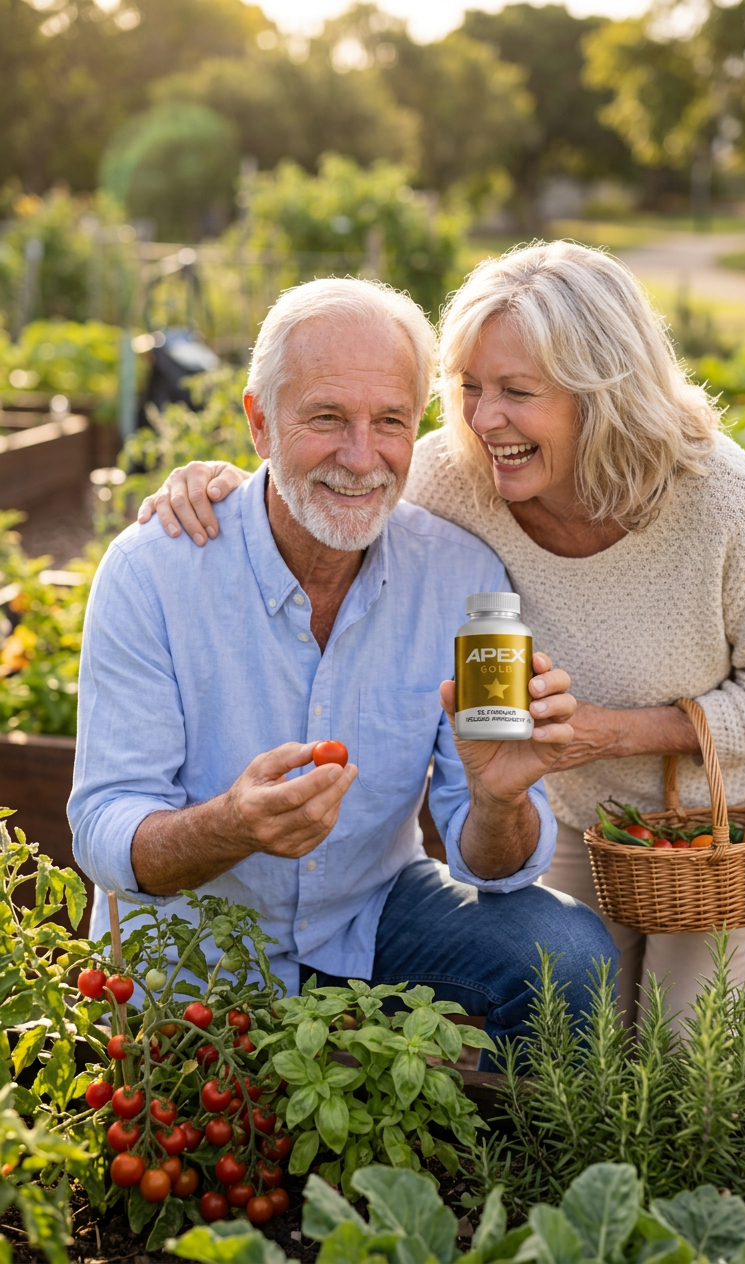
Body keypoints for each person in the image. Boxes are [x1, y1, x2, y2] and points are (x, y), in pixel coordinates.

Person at [146, 243, 745, 1031]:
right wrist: (224, 485)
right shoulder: (458, 477)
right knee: (578, 1012)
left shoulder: (724, 505)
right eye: (468, 387)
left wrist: (610, 732)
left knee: (678, 1046)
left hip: (726, 808)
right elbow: (337, 475)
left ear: (600, 392)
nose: (482, 418)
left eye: (516, 391)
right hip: (577, 802)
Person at [69, 277, 615, 1067]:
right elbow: (105, 827)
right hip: (194, 945)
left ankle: (506, 1183)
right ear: (259, 422)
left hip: (367, 914)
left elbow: (487, 865)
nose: (362, 459)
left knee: (564, 954)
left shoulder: (462, 577)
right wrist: (230, 826)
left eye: (389, 421)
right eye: (326, 418)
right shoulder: (155, 573)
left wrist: (497, 801)